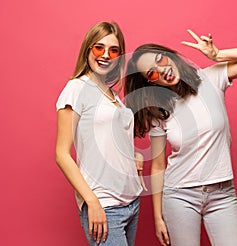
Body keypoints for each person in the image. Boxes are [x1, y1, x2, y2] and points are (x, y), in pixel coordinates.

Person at [124, 29, 237, 246]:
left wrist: (219, 55)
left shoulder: (210, 78)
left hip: (222, 193)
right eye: (152, 73)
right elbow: (157, 165)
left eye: (160, 59)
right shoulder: (159, 111)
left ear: (170, 55)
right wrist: (158, 218)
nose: (162, 70)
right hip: (180, 196)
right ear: (151, 83)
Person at [55, 21, 144, 246]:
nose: (106, 55)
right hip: (104, 205)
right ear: (88, 49)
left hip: (132, 202)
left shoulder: (112, 94)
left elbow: (110, 141)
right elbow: (62, 154)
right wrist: (91, 201)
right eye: (99, 47)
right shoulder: (76, 88)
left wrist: (134, 156)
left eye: (113, 50)